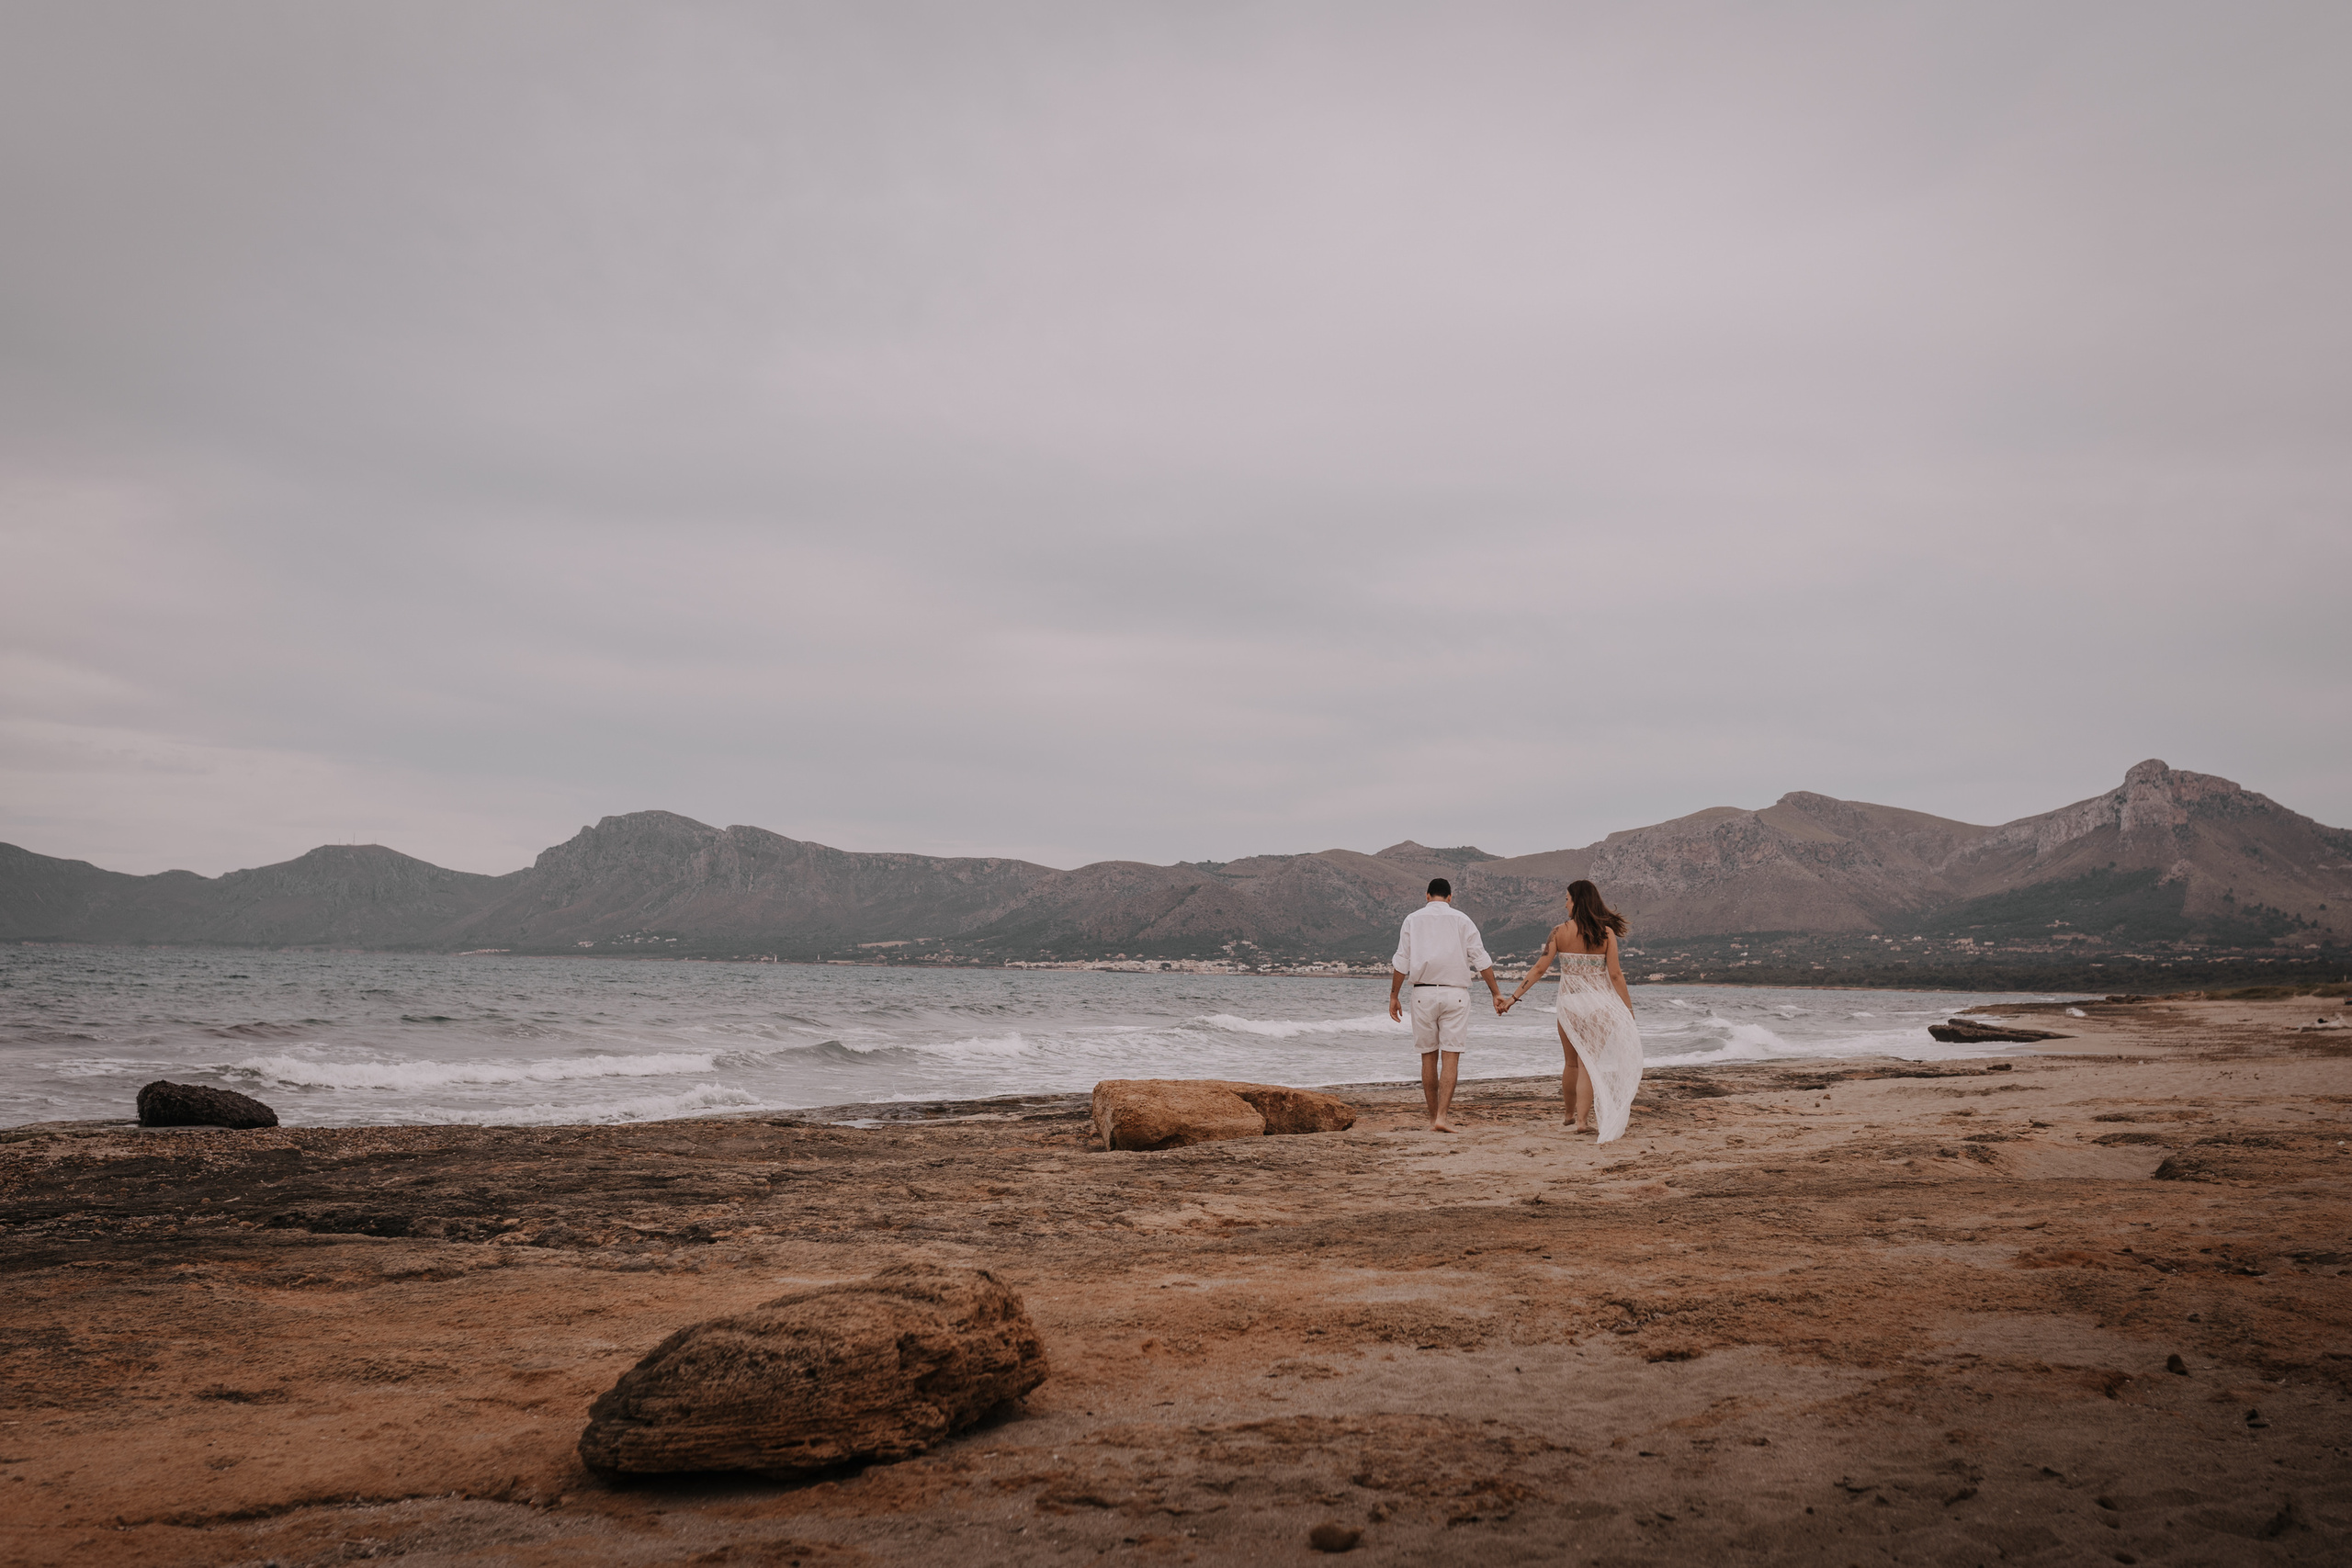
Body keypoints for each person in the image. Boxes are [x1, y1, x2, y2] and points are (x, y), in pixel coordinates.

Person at [1499, 879, 1643, 1140]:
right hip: (1600, 1005)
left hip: (1570, 1005)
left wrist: (1513, 998)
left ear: (1577, 901)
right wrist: (1628, 1010)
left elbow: (1539, 968)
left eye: (1567, 898)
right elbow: (1616, 975)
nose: (1565, 903)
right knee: (1590, 1064)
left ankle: (1568, 1115)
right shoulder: (1607, 933)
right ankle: (1583, 1121)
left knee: (1571, 1063)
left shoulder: (1559, 932)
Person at [1386, 877, 1505, 1133]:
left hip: (1423, 994)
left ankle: (1432, 1120)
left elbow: (1401, 961)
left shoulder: (1412, 919)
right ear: (1450, 897)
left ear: (1427, 896)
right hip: (1456, 994)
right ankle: (1442, 1117)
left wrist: (1393, 996)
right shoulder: (1463, 920)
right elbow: (1480, 959)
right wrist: (1495, 993)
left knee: (1428, 1059)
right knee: (1451, 1059)